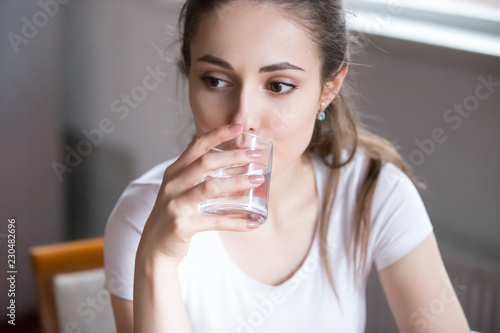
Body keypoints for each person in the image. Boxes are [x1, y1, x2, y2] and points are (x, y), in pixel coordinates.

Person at [103, 0, 471, 332]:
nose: (243, 118)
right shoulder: (145, 216)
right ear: (188, 75)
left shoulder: (373, 190)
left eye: (278, 85)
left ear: (328, 88)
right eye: (215, 80)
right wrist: (158, 258)